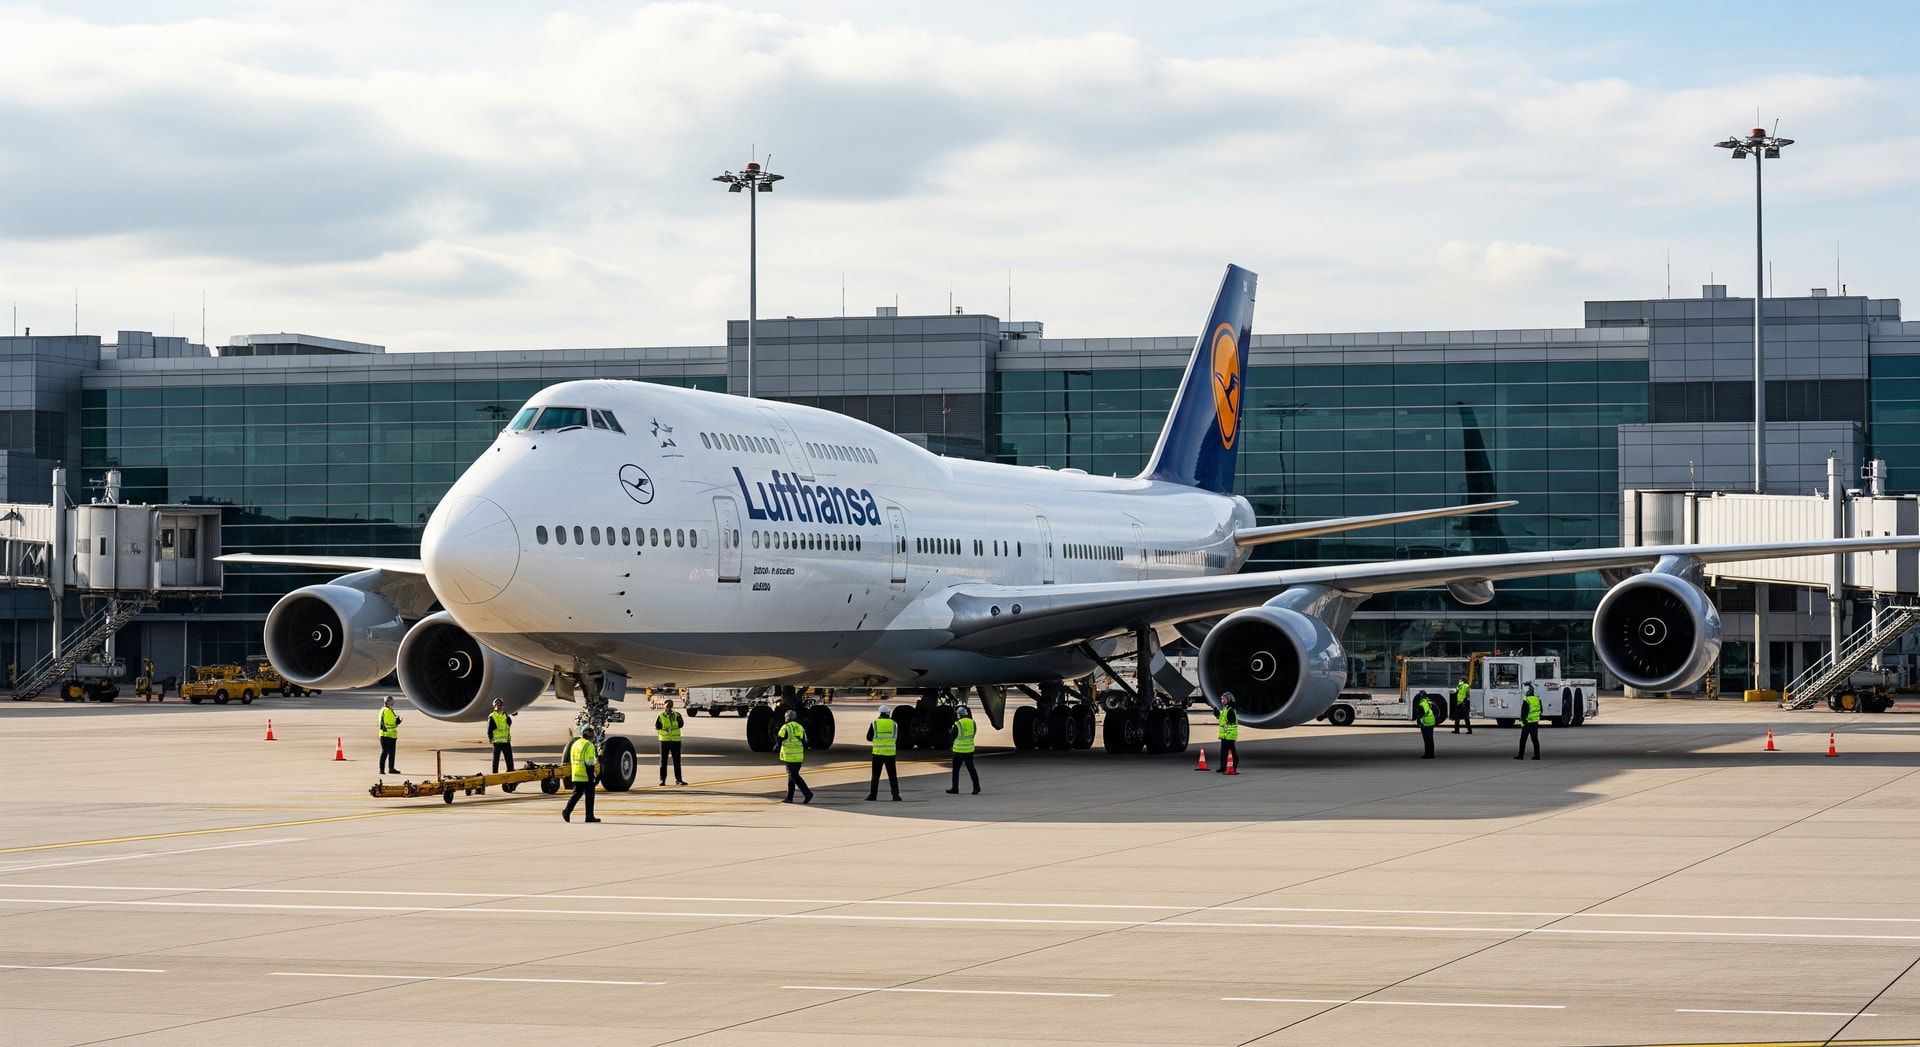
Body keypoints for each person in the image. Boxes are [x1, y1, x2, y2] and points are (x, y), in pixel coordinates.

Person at [562, 728, 600, 822]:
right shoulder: (589, 745)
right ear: (591, 736)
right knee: (590, 796)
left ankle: (567, 810)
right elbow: (589, 763)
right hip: (585, 775)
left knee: (577, 793)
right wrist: (591, 776)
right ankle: (589, 816)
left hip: (576, 774)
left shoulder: (576, 744)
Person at [777, 709, 813, 803]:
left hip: (789, 756)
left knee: (793, 776)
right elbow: (806, 742)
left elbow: (779, 740)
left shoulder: (785, 727)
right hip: (799, 756)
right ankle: (789, 797)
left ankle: (807, 793)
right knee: (791, 777)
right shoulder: (800, 727)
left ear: (787, 717)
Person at [866, 705, 901, 801]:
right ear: (888, 713)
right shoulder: (894, 724)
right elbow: (897, 737)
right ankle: (895, 795)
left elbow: (868, 738)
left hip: (878, 753)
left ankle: (873, 795)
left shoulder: (875, 724)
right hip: (890, 754)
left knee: (875, 776)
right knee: (892, 776)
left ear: (880, 713)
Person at [946, 705, 980, 794]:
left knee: (956, 770)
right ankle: (976, 787)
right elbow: (974, 733)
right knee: (971, 769)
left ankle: (955, 788)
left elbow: (952, 735)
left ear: (959, 715)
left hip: (959, 751)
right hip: (969, 750)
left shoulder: (958, 723)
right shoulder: (972, 722)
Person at [656, 698, 687, 786]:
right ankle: (662, 780)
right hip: (665, 740)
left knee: (677, 761)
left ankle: (679, 779)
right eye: (667, 707)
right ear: (664, 707)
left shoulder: (677, 715)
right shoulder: (661, 715)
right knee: (663, 761)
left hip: (675, 740)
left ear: (672, 706)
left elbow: (681, 724)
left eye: (670, 706)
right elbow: (657, 726)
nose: (668, 708)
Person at [1515, 683, 1542, 761]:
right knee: (1535, 739)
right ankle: (1537, 756)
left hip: (1527, 722)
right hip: (1535, 722)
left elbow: (1524, 713)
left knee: (1523, 740)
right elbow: (1541, 710)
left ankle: (1521, 755)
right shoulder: (1537, 699)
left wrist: (1523, 721)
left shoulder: (1526, 700)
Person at [487, 698, 514, 772]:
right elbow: (489, 731)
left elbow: (509, 724)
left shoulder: (505, 715)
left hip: (505, 742)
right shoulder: (492, 716)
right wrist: (491, 740)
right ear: (494, 706)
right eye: (497, 705)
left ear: (502, 706)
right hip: (498, 742)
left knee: (509, 760)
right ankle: (495, 774)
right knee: (496, 760)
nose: (499, 706)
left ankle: (510, 772)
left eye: (500, 705)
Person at [377, 696, 402, 774]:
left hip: (389, 735)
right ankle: (382, 769)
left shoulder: (385, 710)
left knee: (391, 753)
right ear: (387, 702)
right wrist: (397, 721)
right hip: (387, 735)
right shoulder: (387, 711)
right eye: (391, 701)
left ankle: (391, 768)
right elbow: (390, 722)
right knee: (385, 752)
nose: (393, 702)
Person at [1214, 692, 1238, 772]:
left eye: (1224, 699)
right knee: (1223, 751)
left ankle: (1233, 766)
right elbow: (1223, 720)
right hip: (1224, 734)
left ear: (1229, 700)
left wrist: (1228, 733)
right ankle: (1223, 766)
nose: (1222, 700)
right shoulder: (1226, 709)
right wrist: (1217, 715)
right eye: (1222, 699)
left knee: (1231, 751)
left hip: (1229, 734)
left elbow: (1231, 722)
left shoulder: (1230, 709)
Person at [1416, 692, 1437, 758]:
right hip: (1431, 722)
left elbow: (1420, 714)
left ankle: (1427, 754)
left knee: (1426, 740)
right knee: (1430, 739)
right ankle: (1432, 754)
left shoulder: (1421, 704)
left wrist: (1419, 723)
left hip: (1425, 723)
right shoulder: (1429, 702)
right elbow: (1436, 710)